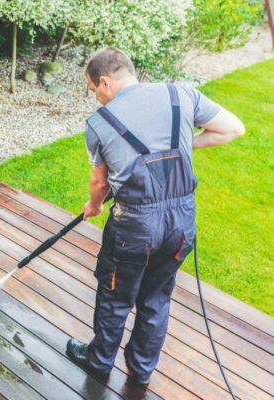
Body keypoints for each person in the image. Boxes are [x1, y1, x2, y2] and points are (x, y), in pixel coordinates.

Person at [65, 47, 245, 387]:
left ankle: (99, 361)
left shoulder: (99, 123)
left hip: (133, 227)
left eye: (94, 91)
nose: (97, 99)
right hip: (180, 224)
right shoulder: (182, 95)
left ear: (104, 81)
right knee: (157, 297)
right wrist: (183, 145)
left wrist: (94, 205)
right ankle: (141, 370)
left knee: (116, 296)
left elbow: (99, 182)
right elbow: (232, 128)